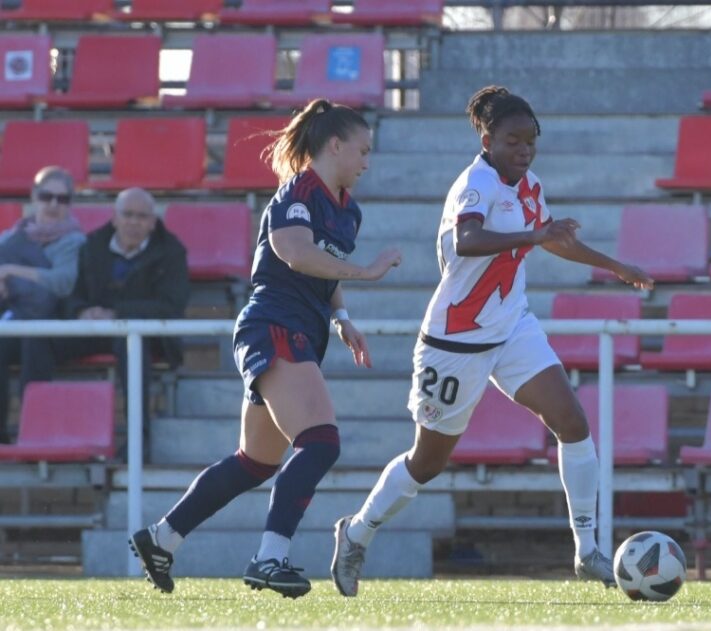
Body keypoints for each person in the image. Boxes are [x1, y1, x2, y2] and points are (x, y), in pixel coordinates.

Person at [330, 86, 654, 597]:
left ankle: (587, 550)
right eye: (513, 140)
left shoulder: (529, 184)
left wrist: (616, 266)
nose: (524, 150)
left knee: (572, 422)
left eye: (531, 141)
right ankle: (357, 531)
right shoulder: (475, 184)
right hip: (456, 341)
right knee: (427, 462)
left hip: (512, 327)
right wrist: (533, 238)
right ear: (487, 138)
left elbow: (554, 238)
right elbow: (468, 240)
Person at [127, 99, 402, 599]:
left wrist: (342, 319)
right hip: (274, 325)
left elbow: (326, 265)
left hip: (300, 328)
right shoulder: (297, 191)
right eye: (362, 150)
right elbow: (296, 253)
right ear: (334, 145)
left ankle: (163, 537)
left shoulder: (348, 209)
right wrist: (368, 272)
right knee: (321, 442)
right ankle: (269, 557)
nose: (367, 161)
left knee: (254, 461)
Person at [22, 187, 189, 449]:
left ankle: (138, 441)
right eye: (128, 214)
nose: (134, 222)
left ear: (153, 222)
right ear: (115, 218)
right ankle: (33, 433)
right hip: (93, 329)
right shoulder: (92, 245)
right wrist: (81, 311)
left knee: (132, 345)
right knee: (37, 340)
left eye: (142, 216)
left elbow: (171, 306)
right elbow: (71, 296)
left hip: (145, 337)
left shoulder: (172, 252)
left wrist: (117, 314)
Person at [0, 166, 86, 443]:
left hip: (54, 328)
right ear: (34, 196)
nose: (53, 205)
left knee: (34, 343)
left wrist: (12, 272)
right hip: (12, 320)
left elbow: (63, 282)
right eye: (47, 196)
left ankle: (31, 434)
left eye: (62, 199)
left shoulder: (75, 241)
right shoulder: (10, 238)